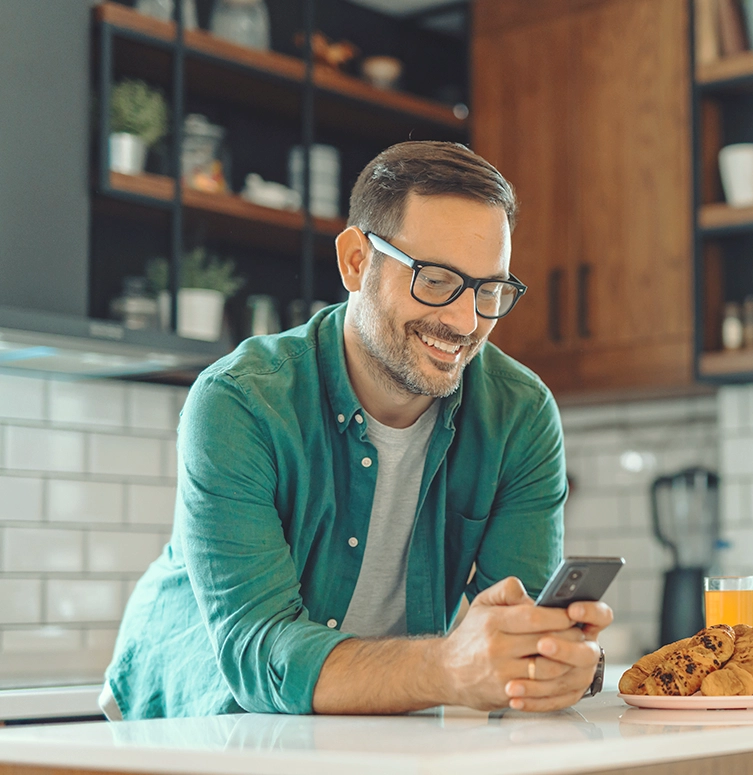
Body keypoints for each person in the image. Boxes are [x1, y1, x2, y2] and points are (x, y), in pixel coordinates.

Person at [101, 141, 612, 720]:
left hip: (376, 721)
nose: (466, 321)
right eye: (437, 280)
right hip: (195, 722)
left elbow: (521, 631)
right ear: (354, 261)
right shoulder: (238, 403)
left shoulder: (519, 415)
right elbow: (260, 653)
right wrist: (448, 667)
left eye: (489, 291)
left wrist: (555, 661)